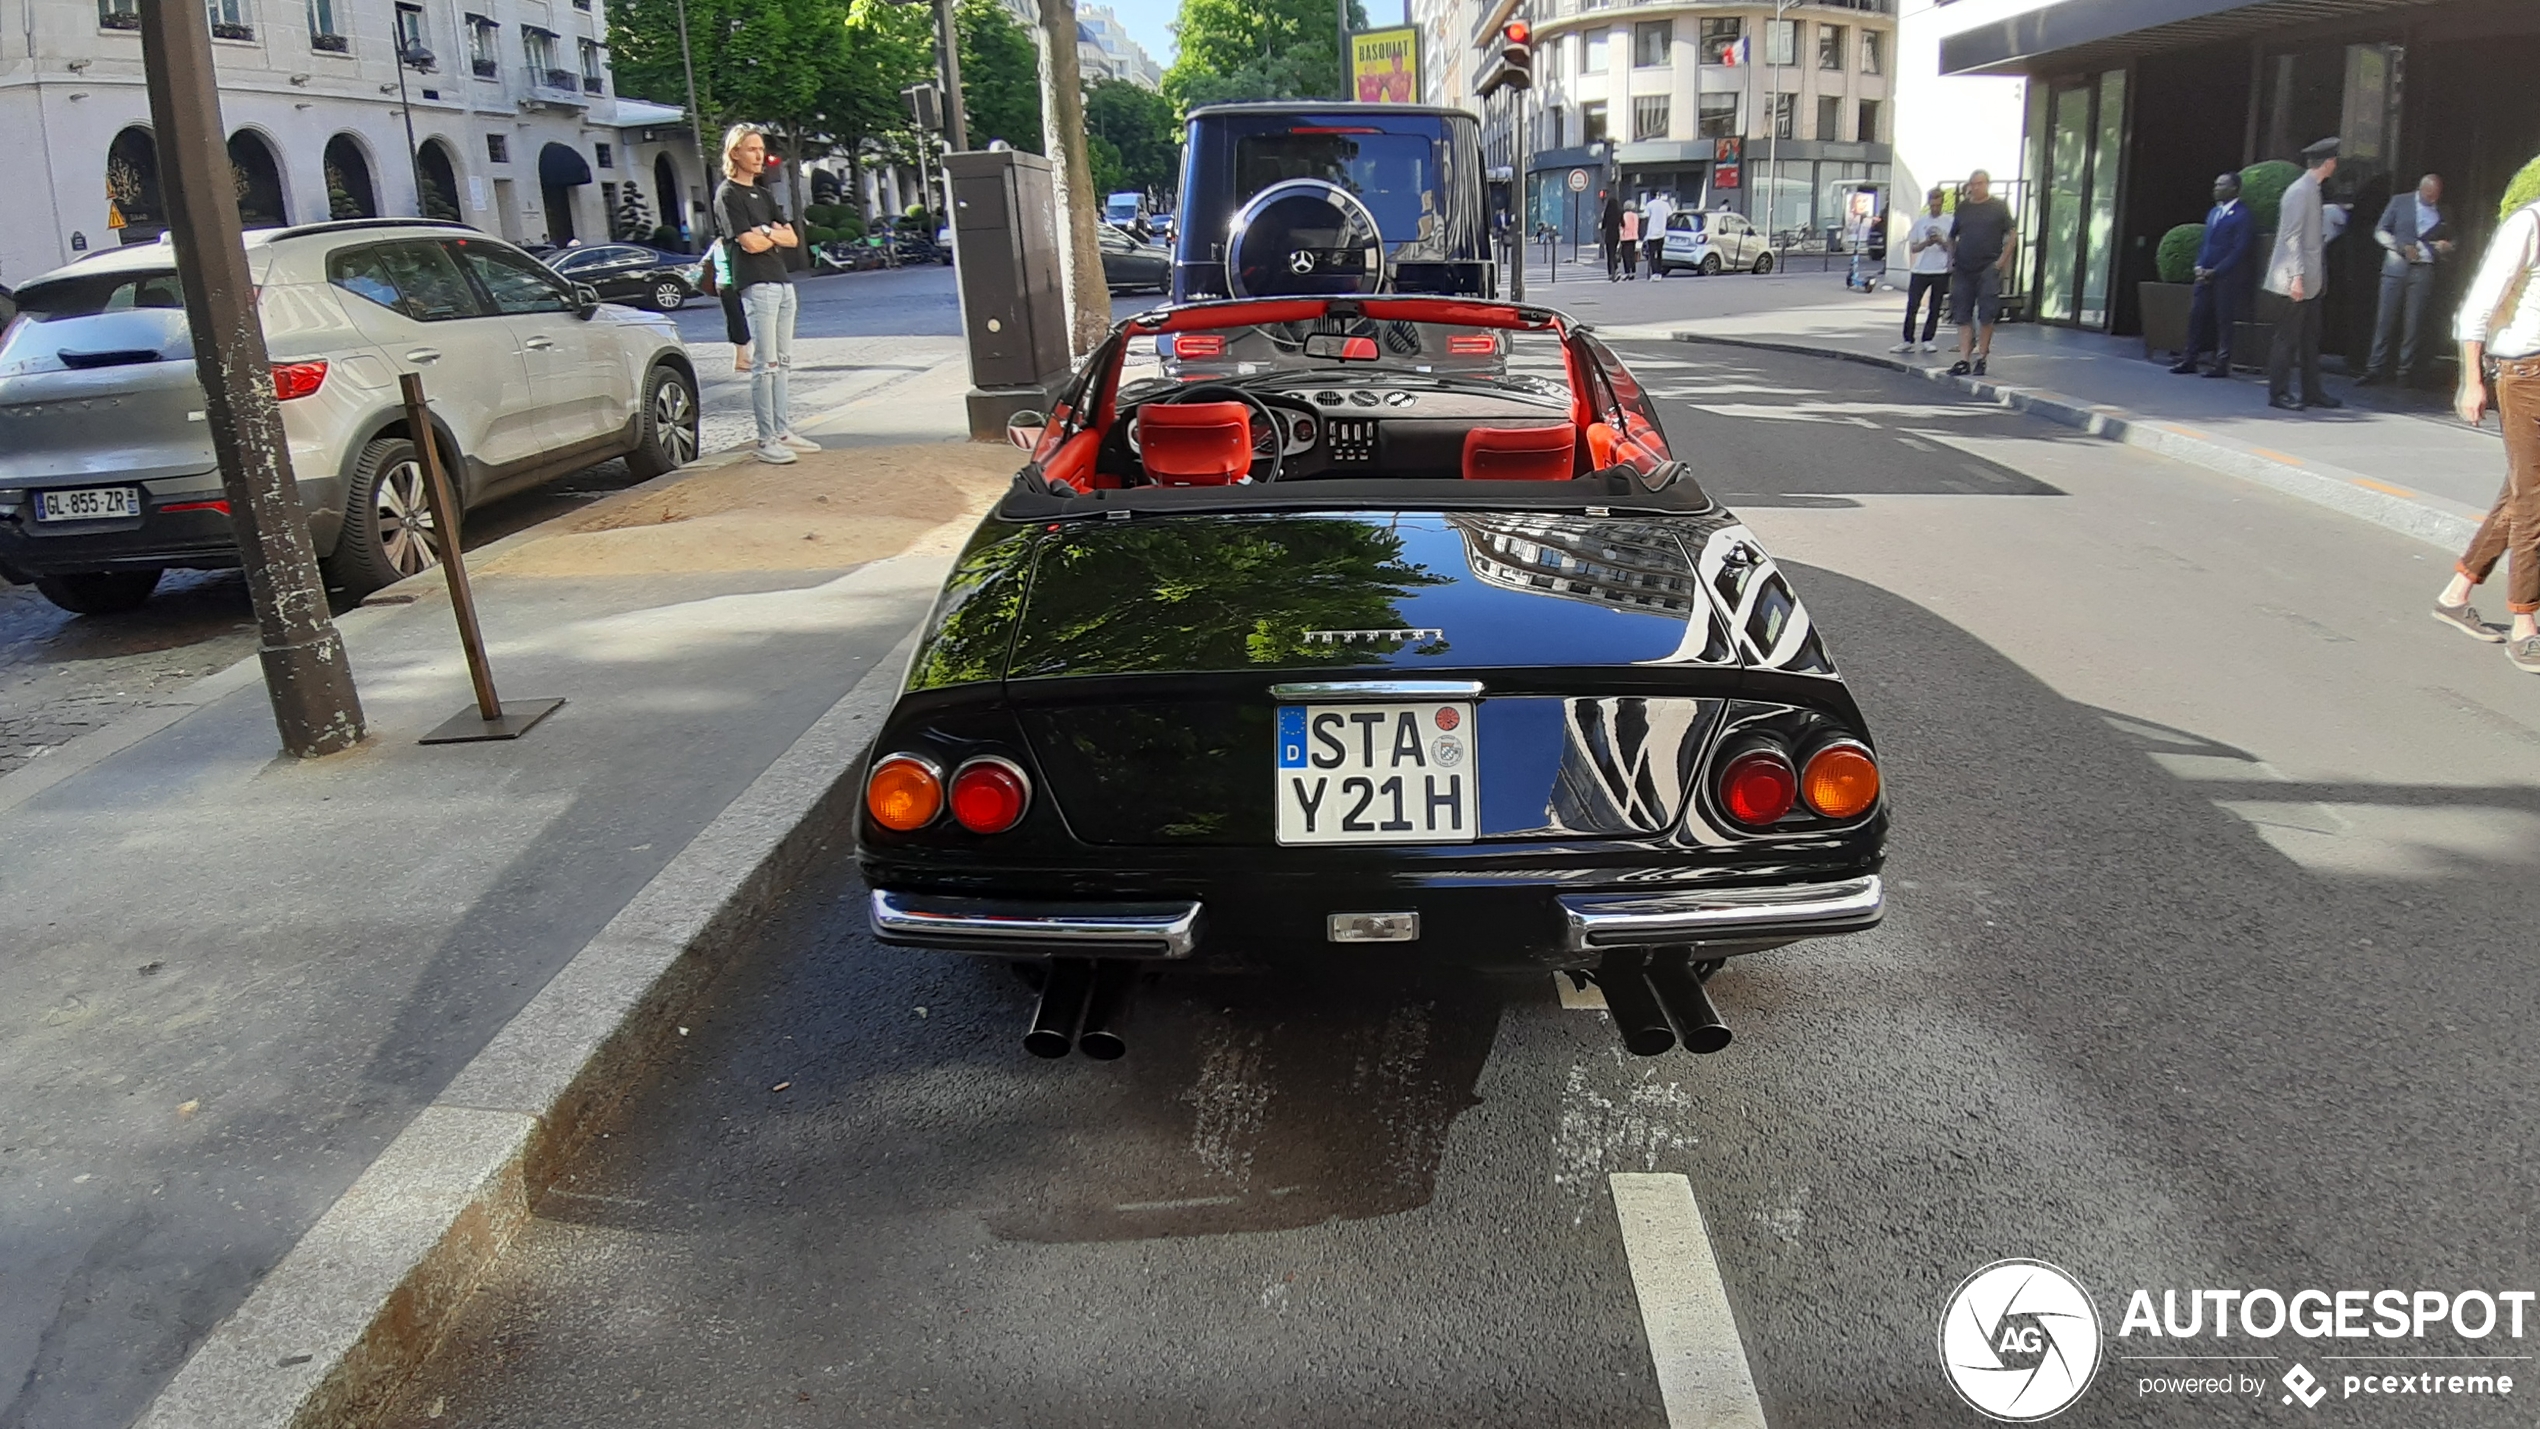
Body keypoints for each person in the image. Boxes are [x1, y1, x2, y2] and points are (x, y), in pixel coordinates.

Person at [2433, 194, 2540, 672]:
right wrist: (2471, 381)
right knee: (2534, 500)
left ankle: (2456, 594)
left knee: (2519, 493)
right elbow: (2476, 307)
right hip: (2523, 376)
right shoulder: (2529, 223)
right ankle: (2525, 624)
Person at [717, 124, 813, 465]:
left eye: (761, 149)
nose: (760, 155)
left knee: (783, 363)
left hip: (782, 282)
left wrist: (766, 230)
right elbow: (749, 243)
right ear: (735, 154)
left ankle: (783, 430)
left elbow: (792, 238)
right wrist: (768, 234)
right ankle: (766, 437)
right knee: (765, 365)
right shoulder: (729, 194)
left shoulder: (764, 194)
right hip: (757, 284)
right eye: (753, 149)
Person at [2265, 137, 2343, 412]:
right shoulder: (2301, 191)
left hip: (2309, 279)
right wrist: (2296, 277)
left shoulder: (2312, 189)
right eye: (2334, 160)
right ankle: (2279, 392)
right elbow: (2291, 238)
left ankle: (2312, 391)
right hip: (2294, 279)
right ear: (2329, 162)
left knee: (2310, 338)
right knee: (2287, 338)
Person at [2359, 173, 2455, 386]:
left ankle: (2405, 371)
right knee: (2385, 319)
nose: (2432, 199)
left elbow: (2454, 239)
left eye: (2435, 196)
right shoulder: (2400, 202)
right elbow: (2380, 230)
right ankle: (2374, 367)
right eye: (2428, 195)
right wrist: (2400, 247)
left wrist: (2448, 247)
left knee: (2414, 322)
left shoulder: (2443, 211)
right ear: (2420, 189)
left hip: (2424, 269)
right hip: (2396, 267)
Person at [2171, 171, 2255, 377]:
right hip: (2204, 275)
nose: (2216, 188)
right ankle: (2189, 359)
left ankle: (2221, 363)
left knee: (2223, 320)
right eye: (2216, 184)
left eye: (2221, 185)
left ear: (2234, 188)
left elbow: (2240, 249)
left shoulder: (2243, 216)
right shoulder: (2213, 213)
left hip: (2226, 277)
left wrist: (2216, 271)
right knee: (2196, 316)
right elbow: (2206, 244)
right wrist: (2199, 266)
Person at [1946, 170, 2015, 377]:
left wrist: (2001, 262)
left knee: (1986, 313)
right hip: (1964, 267)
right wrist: (1951, 260)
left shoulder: (1998, 207)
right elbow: (1952, 236)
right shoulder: (1964, 207)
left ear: (1987, 184)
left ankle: (1982, 357)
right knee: (1962, 313)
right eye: (1973, 184)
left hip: (1988, 267)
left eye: (1980, 183)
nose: (1975, 187)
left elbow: (2012, 235)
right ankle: (1964, 359)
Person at [1893, 188, 1951, 354]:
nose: (1935, 208)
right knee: (1912, 305)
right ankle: (1907, 340)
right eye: (1932, 205)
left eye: (1938, 205)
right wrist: (1927, 243)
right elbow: (1914, 248)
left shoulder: (1949, 221)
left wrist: (1940, 241)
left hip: (1940, 270)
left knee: (1935, 306)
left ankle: (1928, 339)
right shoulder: (1920, 223)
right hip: (1921, 269)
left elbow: (1952, 247)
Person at [1642, 190, 1673, 279]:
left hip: (1652, 233)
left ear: (1651, 195)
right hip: (1661, 232)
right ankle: (1659, 272)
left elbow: (1646, 218)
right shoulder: (1665, 204)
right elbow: (1670, 217)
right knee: (1659, 253)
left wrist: (1644, 233)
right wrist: (1665, 225)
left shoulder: (1650, 205)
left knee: (1652, 254)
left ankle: (1654, 273)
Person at [1601, 190, 1624, 281]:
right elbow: (1623, 224)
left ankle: (1611, 272)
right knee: (1613, 252)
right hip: (1616, 234)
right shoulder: (1619, 212)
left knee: (1610, 254)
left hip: (1609, 234)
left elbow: (1603, 224)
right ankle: (1616, 270)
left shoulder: (1608, 212)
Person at [1618, 202, 1641, 280]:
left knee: (1625, 255)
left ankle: (1627, 271)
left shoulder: (1624, 215)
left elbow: (1622, 226)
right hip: (1634, 236)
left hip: (1625, 237)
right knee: (1631, 254)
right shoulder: (1635, 216)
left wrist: (1620, 237)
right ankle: (1633, 271)